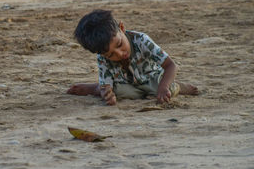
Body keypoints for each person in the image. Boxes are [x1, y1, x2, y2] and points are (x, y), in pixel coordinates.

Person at [67, 9, 198, 106]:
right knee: (117, 90)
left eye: (119, 44)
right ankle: (95, 88)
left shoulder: (142, 40)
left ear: (122, 28)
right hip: (127, 85)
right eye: (110, 55)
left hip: (152, 79)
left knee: (166, 88)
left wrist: (163, 88)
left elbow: (171, 66)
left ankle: (177, 86)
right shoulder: (102, 57)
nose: (119, 54)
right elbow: (107, 86)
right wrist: (107, 94)